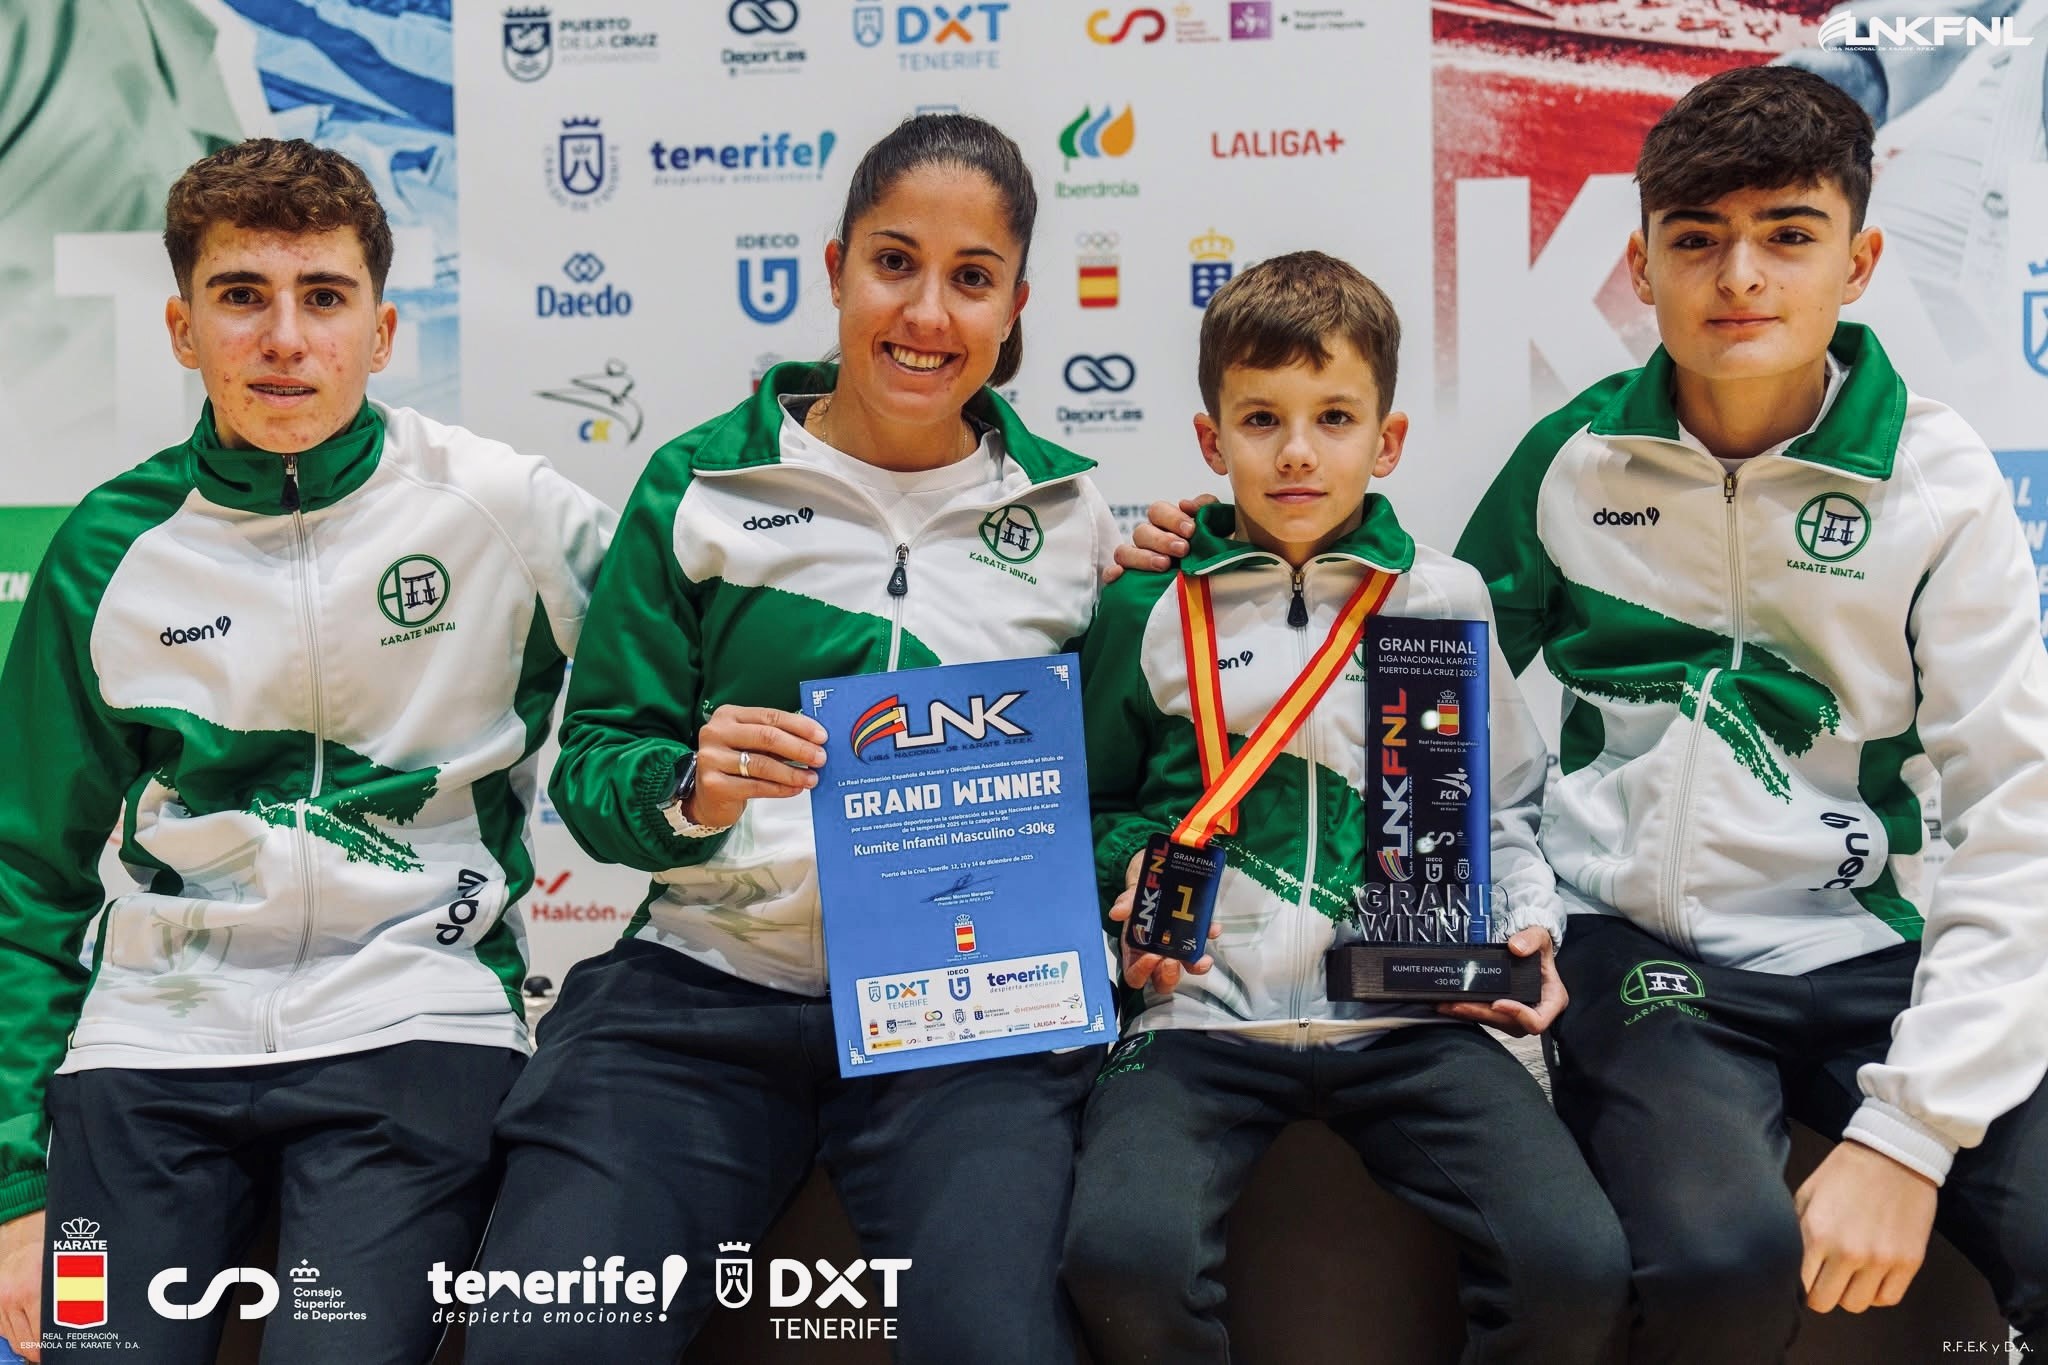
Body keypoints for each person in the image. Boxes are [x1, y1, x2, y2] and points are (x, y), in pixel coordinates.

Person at [465, 113, 1119, 1365]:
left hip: (966, 1026)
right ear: (833, 270)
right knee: (541, 1343)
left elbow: (1117, 782)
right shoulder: (702, 487)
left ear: (1015, 304)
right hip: (703, 994)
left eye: (970, 279)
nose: (926, 312)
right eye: (893, 262)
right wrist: (688, 789)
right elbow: (596, 759)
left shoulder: (1073, 517)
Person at [1457, 67, 2048, 1360]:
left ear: (1861, 257)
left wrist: (1909, 1130)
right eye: (1698, 240)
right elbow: (1418, 693)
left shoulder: (1940, 487)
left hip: (1881, 942)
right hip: (1650, 949)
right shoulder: (1567, 465)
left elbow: (2020, 816)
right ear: (1642, 263)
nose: (1740, 277)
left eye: (1787, 235)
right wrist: (1208, 549)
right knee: (1722, 1259)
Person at [0, 138, 612, 1364]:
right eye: (242, 297)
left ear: (382, 333)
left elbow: (698, 649)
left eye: (323, 298)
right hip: (155, 1033)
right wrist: (16, 1189)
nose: (284, 338)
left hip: (415, 1019)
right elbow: (26, 878)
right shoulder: (106, 552)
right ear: (184, 328)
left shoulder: (506, 511)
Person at [1062, 251, 1629, 1364]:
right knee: (1121, 1257)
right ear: (1209, 440)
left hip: (1412, 1014)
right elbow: (1085, 809)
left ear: (1387, 441)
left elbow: (1505, 813)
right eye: (1260, 418)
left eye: (1332, 417)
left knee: (1573, 1265)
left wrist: (1530, 933)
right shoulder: (1145, 601)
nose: (1295, 451)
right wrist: (1126, 876)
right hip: (1200, 1017)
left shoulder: (1439, 595)